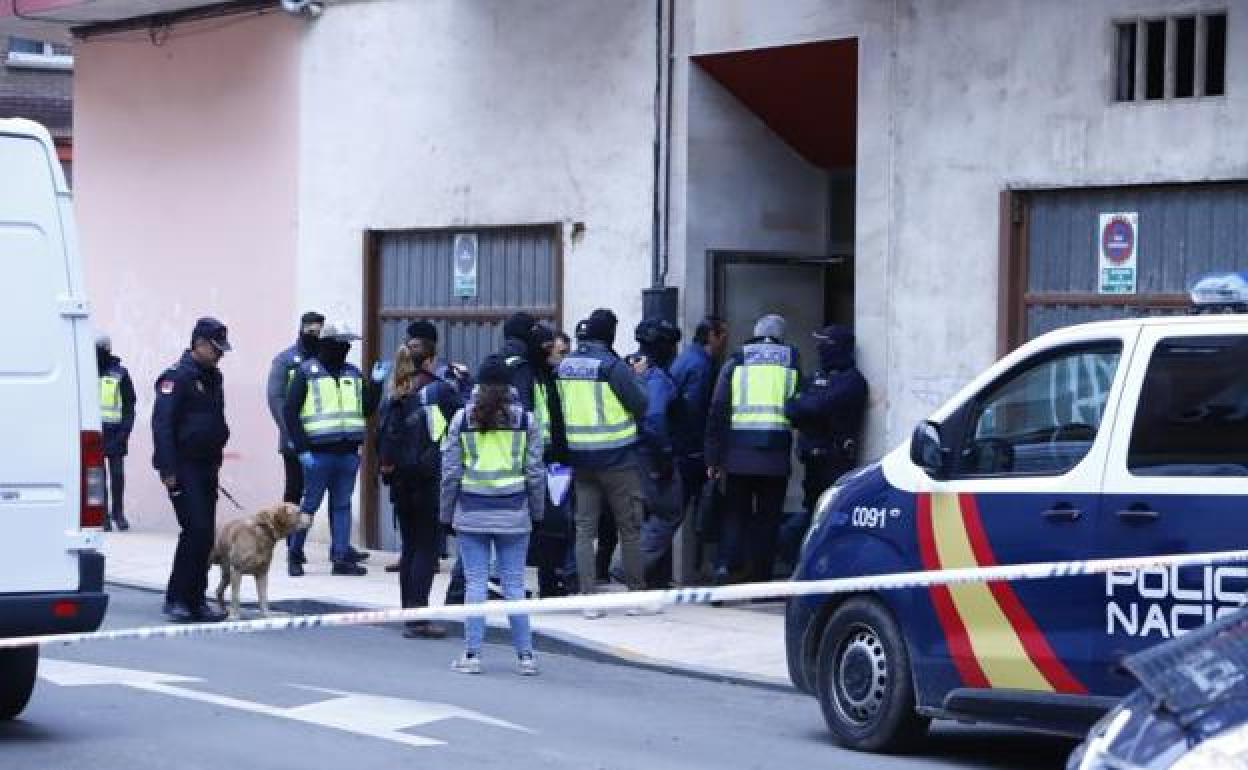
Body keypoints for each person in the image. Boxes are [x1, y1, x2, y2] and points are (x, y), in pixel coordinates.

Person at [441, 355, 544, 675]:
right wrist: (536, 512)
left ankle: (472, 655)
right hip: (514, 513)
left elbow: (451, 473)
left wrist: (445, 514)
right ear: (510, 385)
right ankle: (526, 657)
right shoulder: (526, 421)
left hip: (472, 512)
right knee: (514, 585)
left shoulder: (462, 419)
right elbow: (535, 473)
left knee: (475, 584)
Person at [556, 308, 649, 618]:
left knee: (585, 529)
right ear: (609, 334)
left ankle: (588, 599)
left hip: (580, 458)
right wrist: (639, 377)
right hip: (618, 458)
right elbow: (640, 403)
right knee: (630, 527)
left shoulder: (565, 365)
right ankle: (636, 596)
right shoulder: (612, 366)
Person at [705, 313, 800, 585]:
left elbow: (718, 408)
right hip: (776, 456)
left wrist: (713, 456)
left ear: (756, 332)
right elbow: (799, 404)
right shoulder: (792, 358)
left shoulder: (737, 358)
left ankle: (724, 568)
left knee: (734, 514)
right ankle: (761, 579)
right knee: (768, 520)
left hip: (738, 455)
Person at [284, 320, 381, 576]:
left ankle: (340, 558)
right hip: (317, 454)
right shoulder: (306, 372)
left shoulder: (353, 373)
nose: (347, 348)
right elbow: (290, 412)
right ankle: (294, 553)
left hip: (348, 454)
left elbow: (367, 409)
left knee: (342, 505)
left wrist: (377, 385)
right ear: (329, 344)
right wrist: (302, 449)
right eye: (342, 343)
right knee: (309, 505)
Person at [378, 338, 461, 639]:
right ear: (428, 361)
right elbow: (460, 421)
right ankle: (419, 618)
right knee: (426, 549)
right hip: (428, 479)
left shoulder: (392, 394)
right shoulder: (438, 389)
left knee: (410, 548)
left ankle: (409, 613)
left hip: (400, 480)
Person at [152, 318, 232, 623]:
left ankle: (196, 599)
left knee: (205, 535)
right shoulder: (177, 377)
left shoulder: (214, 378)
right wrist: (167, 468)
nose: (220, 355)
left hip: (207, 465)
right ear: (198, 343)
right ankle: (177, 597)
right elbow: (162, 425)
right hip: (183, 466)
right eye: (215, 348)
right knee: (195, 530)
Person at [780, 325, 867, 567]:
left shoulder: (851, 381)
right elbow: (792, 408)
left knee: (826, 520)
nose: (820, 351)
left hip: (835, 463)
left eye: (825, 345)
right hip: (812, 464)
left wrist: (807, 405)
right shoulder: (819, 377)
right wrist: (806, 405)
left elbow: (814, 407)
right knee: (811, 514)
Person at [670, 316, 728, 573]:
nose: (725, 341)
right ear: (711, 336)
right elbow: (698, 412)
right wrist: (707, 455)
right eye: (722, 335)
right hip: (691, 452)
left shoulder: (686, 359)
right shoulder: (701, 366)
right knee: (696, 511)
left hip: (680, 448)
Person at [632, 319, 685, 589]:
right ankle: (631, 568)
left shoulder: (631, 369)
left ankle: (649, 579)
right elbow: (654, 420)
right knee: (669, 512)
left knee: (644, 516)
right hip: (650, 454)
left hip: (630, 453)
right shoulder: (656, 378)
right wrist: (663, 459)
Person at [266, 312, 324, 513]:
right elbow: (276, 399)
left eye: (318, 332)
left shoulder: (324, 359)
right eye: (310, 331)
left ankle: (336, 543)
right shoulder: (285, 360)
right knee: (294, 491)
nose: (314, 335)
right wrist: (291, 432)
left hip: (320, 437)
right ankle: (292, 542)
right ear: (301, 329)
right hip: (292, 438)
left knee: (319, 492)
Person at [96, 334, 135, 532]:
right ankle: (102, 515)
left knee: (117, 476)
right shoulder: (85, 372)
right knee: (98, 477)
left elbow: (129, 405)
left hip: (116, 433)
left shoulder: (120, 374)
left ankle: (118, 513)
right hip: (94, 435)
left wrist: (125, 431)